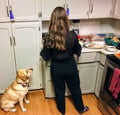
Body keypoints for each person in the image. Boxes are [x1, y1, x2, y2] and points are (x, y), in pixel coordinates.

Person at [40, 6, 89, 115]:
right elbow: (78, 50)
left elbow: (45, 56)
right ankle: (80, 109)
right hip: (70, 66)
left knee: (59, 90)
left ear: (53, 20)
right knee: (75, 88)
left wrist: (44, 45)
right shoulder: (72, 35)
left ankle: (62, 111)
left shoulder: (49, 37)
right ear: (65, 19)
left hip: (56, 68)